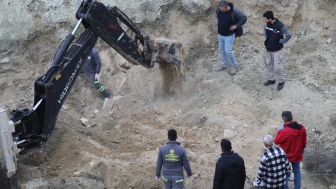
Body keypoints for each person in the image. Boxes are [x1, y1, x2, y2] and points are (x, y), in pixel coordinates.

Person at [275, 111, 307, 189]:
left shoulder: (284, 131)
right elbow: (304, 141)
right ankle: (297, 187)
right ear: (291, 117)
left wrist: (280, 130)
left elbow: (276, 141)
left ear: (283, 119)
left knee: (284, 173)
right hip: (297, 154)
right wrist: (301, 150)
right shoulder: (302, 128)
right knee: (296, 171)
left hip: (286, 156)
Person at [262, 11, 292, 91]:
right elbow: (265, 30)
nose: (265, 20)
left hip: (277, 50)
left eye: (266, 19)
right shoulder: (267, 24)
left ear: (270, 19)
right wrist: (267, 38)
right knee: (268, 64)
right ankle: (272, 79)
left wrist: (284, 41)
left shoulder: (279, 25)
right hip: (268, 49)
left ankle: (281, 81)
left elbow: (288, 34)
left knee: (277, 67)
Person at [216, 0, 247, 75]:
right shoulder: (218, 10)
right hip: (220, 35)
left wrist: (236, 26)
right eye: (220, 8)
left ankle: (235, 66)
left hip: (229, 35)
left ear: (226, 7)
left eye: (222, 8)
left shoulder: (234, 11)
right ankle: (224, 65)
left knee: (228, 51)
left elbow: (244, 18)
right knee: (222, 50)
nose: (221, 10)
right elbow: (219, 18)